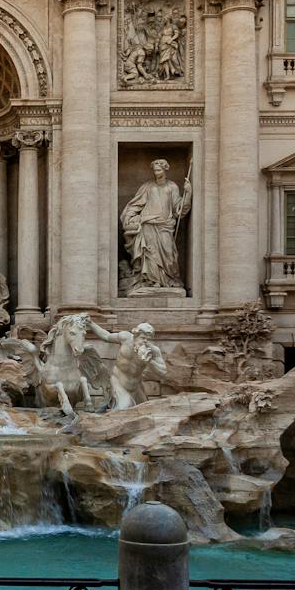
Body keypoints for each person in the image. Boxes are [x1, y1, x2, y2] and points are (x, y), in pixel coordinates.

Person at [120, 159, 191, 292]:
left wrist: (188, 194)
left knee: (169, 254)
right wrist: (130, 217)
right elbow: (135, 205)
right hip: (148, 225)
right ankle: (152, 282)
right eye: (154, 170)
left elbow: (179, 210)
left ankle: (169, 280)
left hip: (165, 225)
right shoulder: (147, 187)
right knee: (150, 254)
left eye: (159, 169)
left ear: (165, 170)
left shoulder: (172, 187)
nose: (156, 172)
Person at [88, 320, 167, 410]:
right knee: (124, 409)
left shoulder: (153, 351)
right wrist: (91, 323)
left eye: (148, 339)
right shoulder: (125, 338)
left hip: (136, 387)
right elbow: (106, 336)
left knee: (146, 411)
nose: (145, 341)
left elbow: (163, 372)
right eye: (143, 338)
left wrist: (149, 362)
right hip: (118, 382)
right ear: (135, 335)